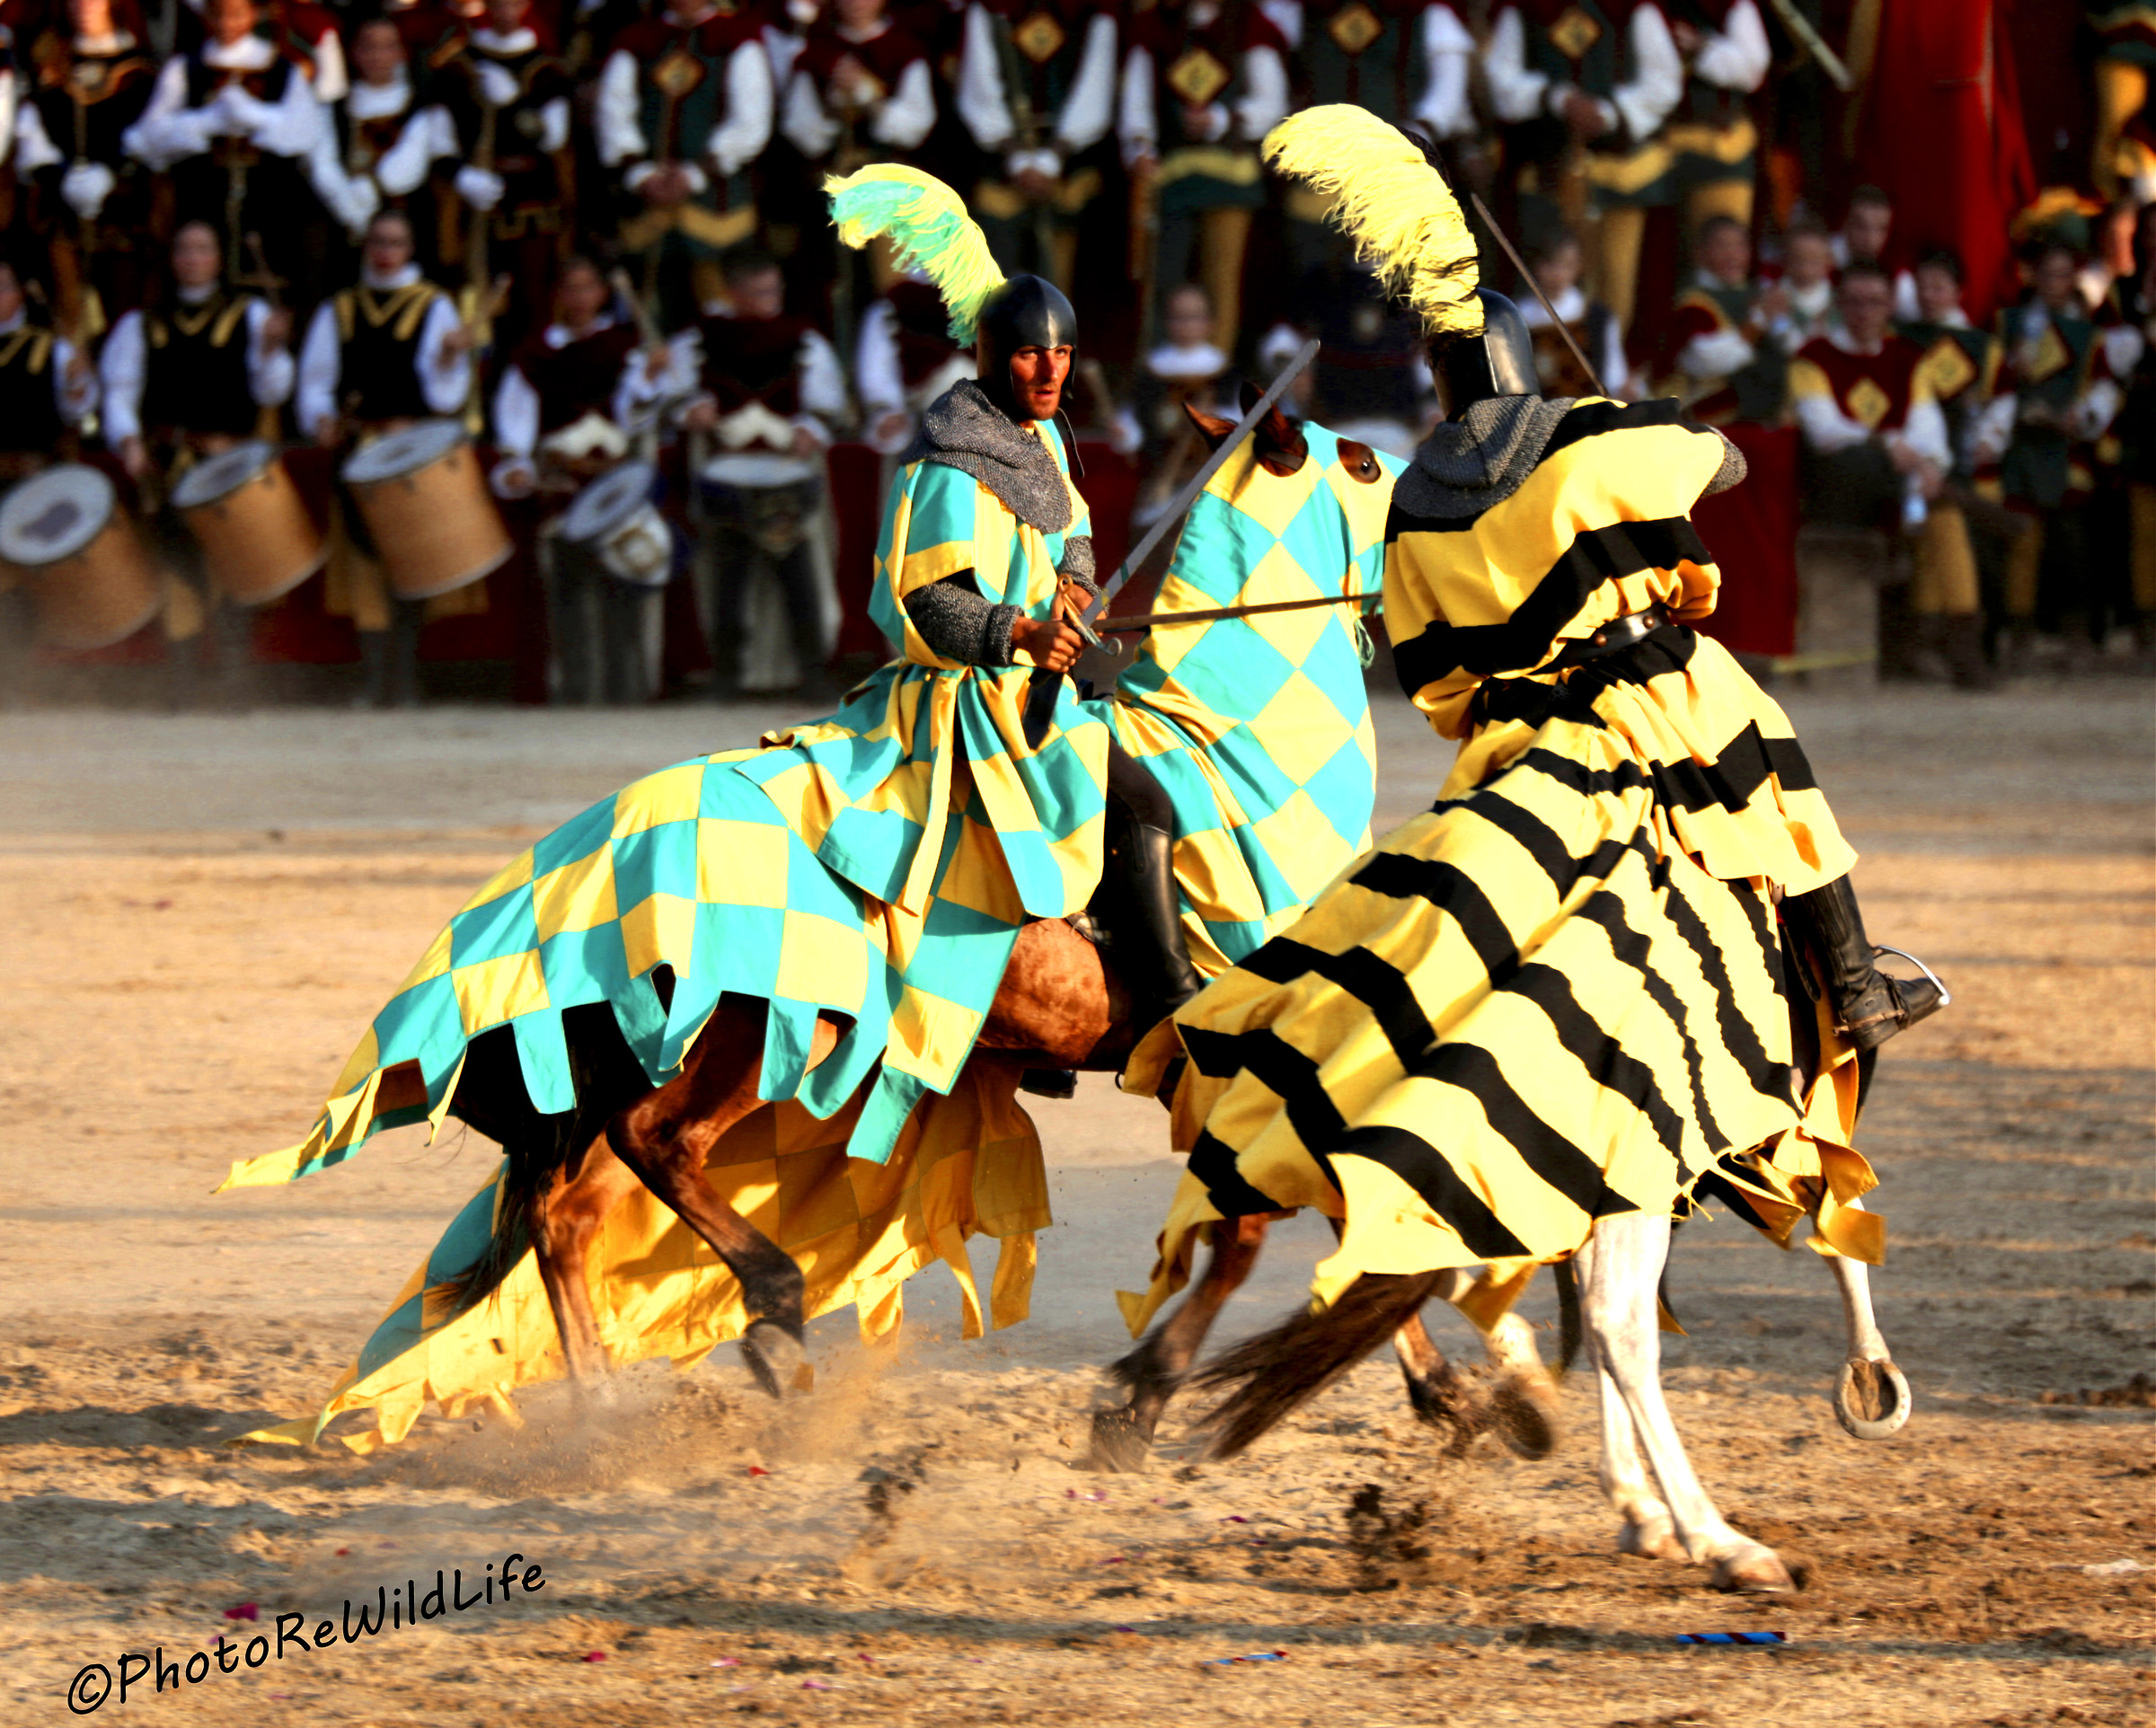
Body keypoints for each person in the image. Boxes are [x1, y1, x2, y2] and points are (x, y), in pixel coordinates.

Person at [1130, 111, 1940, 1488]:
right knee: (1787, 795)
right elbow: (1724, 472)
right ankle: (1856, 984)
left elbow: (1434, 679)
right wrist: (1630, 418)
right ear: (1519, 362)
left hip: (1508, 757)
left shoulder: (1418, 510)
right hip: (1654, 707)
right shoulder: (1585, 436)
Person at [745, 163, 1202, 1038]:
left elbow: (1070, 528)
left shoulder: (1040, 441)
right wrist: (1023, 631)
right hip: (963, 708)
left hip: (1035, 692)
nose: (1051, 368)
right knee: (1141, 803)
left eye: (1063, 352)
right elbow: (930, 599)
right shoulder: (950, 464)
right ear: (991, 354)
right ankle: (1170, 1007)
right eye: (1034, 351)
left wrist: (1073, 584)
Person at [621, 246, 846, 700]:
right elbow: (665, 404)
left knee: (798, 580)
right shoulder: (697, 342)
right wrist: (690, 411)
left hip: (786, 478)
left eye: (775, 289)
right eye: (760, 291)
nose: (771, 298)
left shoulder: (803, 339)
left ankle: (812, 672)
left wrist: (812, 428)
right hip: (727, 478)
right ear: (733, 292)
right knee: (729, 582)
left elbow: (830, 406)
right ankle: (727, 676)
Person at [99, 220, 296, 703]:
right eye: (184, 249)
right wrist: (129, 443)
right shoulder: (141, 323)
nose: (192, 258)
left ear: (217, 258)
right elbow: (120, 392)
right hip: (170, 464)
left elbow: (272, 390)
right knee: (176, 565)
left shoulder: (248, 315)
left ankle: (234, 679)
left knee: (233, 562)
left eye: (202, 249)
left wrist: (272, 348)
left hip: (228, 464)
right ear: (172, 259)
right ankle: (182, 681)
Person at [296, 207, 475, 706]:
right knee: (365, 565)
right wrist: (322, 419)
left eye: (395, 242)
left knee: (413, 560)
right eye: (378, 241)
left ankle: (409, 679)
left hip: (412, 454)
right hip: (360, 452)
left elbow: (444, 397)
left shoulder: (433, 306)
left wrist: (448, 357)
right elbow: (315, 382)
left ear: (410, 249)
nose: (385, 251)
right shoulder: (342, 309)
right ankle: (375, 681)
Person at [1789, 260, 1987, 686]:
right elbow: (1824, 431)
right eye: (1855, 303)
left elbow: (1927, 427)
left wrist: (1929, 467)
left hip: (1901, 486)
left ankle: (1958, 646)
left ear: (1891, 307)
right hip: (1838, 493)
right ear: (1840, 305)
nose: (1865, 312)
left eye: (1875, 302)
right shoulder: (1813, 358)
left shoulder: (1907, 359)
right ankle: (1942, 647)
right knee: (1873, 466)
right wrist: (1887, 443)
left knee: (1943, 517)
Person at [491, 257, 652, 704]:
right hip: (563, 488)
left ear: (602, 294)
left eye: (588, 288)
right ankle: (575, 688)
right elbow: (515, 422)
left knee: (623, 586)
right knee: (567, 591)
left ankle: (627, 689)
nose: (580, 298)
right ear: (558, 296)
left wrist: (651, 383)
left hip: (616, 487)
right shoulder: (534, 355)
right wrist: (518, 463)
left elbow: (637, 418)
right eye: (571, 289)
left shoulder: (627, 349)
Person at [1481, 0, 1682, 333]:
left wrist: (1609, 113)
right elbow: (1500, 79)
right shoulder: (1523, 9)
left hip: (1624, 172)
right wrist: (1556, 98)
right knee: (1550, 275)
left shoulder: (1634, 9)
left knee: (1616, 281)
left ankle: (1608, 372)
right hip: (1549, 170)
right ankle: (1552, 370)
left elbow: (1664, 80)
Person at [122, 0, 335, 306]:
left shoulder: (280, 67)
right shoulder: (186, 67)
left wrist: (258, 116)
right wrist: (203, 122)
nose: (226, 24)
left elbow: (305, 132)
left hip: (269, 196)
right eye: (218, 14)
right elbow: (148, 134)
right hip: (202, 193)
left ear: (253, 14)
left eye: (236, 14)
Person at [1975, 241, 2123, 667]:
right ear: (2032, 277)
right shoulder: (2009, 324)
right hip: (2016, 447)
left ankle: (2077, 632)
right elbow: (1985, 380)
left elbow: (2104, 387)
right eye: (2047, 273)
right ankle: (2016, 633)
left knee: (2072, 542)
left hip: (2065, 451)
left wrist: (2081, 416)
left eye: (2064, 274)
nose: (2054, 283)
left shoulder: (2087, 334)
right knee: (2022, 540)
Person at [402, 0, 576, 350]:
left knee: (532, 303)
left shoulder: (548, 71)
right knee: (476, 302)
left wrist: (514, 103)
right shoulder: (456, 68)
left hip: (532, 210)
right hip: (475, 207)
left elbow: (551, 138)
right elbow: (440, 140)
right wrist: (463, 177)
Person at [1118, 0, 1289, 357]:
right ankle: (1158, 374)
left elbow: (1271, 103)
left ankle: (1215, 377)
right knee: (1161, 278)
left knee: (1221, 281)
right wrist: (1139, 147)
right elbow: (1136, 104)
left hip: (1232, 176)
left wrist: (1222, 120)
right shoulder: (1155, 27)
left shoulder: (1248, 24)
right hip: (1170, 177)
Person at [594, 0, 774, 329]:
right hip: (647, 207)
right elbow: (613, 113)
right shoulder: (635, 40)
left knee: (721, 313)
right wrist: (639, 172)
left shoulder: (737, 39)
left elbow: (751, 122)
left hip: (717, 206)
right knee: (652, 309)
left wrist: (696, 173)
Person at [1275, 0, 1474, 276]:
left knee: (1401, 269)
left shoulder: (1425, 14)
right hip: (1320, 169)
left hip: (1398, 166)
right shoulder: (1303, 11)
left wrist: (1408, 137)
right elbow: (1277, 81)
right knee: (1314, 269)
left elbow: (1447, 96)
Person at [14, 0, 163, 334]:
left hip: (124, 218)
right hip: (61, 216)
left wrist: (111, 173)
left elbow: (150, 133)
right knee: (68, 323)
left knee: (123, 321)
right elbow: (31, 128)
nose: (84, 6)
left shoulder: (139, 69)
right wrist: (58, 176)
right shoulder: (50, 62)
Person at [951, 0, 1118, 287]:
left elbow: (1095, 89)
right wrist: (1015, 157)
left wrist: (1051, 159)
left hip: (1067, 166)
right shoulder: (988, 9)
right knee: (995, 279)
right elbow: (978, 88)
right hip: (1003, 163)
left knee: (1058, 280)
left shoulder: (1093, 11)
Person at [1111, 280, 1239, 524]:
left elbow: (1241, 423)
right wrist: (1124, 433)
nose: (1186, 325)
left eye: (1194, 317)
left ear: (1210, 321)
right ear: (1166, 320)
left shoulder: (1223, 371)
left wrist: (1214, 419)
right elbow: (1135, 420)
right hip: (1160, 479)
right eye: (1178, 317)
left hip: (1212, 482)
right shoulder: (1153, 370)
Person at [1664, 211, 1783, 424]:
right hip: (1700, 417)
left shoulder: (1756, 293)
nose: (1732, 255)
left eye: (1739, 246)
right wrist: (1759, 322)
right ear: (1699, 253)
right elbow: (1705, 361)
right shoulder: (1693, 302)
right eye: (1722, 246)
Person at [0, 258, 98, 485]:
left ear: (22, 291)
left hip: (33, 478)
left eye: (3, 287)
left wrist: (76, 383)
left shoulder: (51, 347)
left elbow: (78, 410)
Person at [854, 272, 974, 453]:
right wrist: (889, 407)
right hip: (916, 411)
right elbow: (876, 366)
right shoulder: (893, 304)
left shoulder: (983, 299)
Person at [1516, 225, 1626, 401]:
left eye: (1567, 265)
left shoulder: (1597, 317)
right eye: (1550, 264)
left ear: (1578, 267)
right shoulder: (1517, 317)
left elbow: (1614, 377)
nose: (1558, 274)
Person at [1764, 215, 1836, 354]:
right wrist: (1779, 318)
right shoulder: (1776, 296)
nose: (1805, 270)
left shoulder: (1839, 300)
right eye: (1798, 261)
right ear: (1784, 261)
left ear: (1828, 262)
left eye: (1814, 262)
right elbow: (1782, 341)